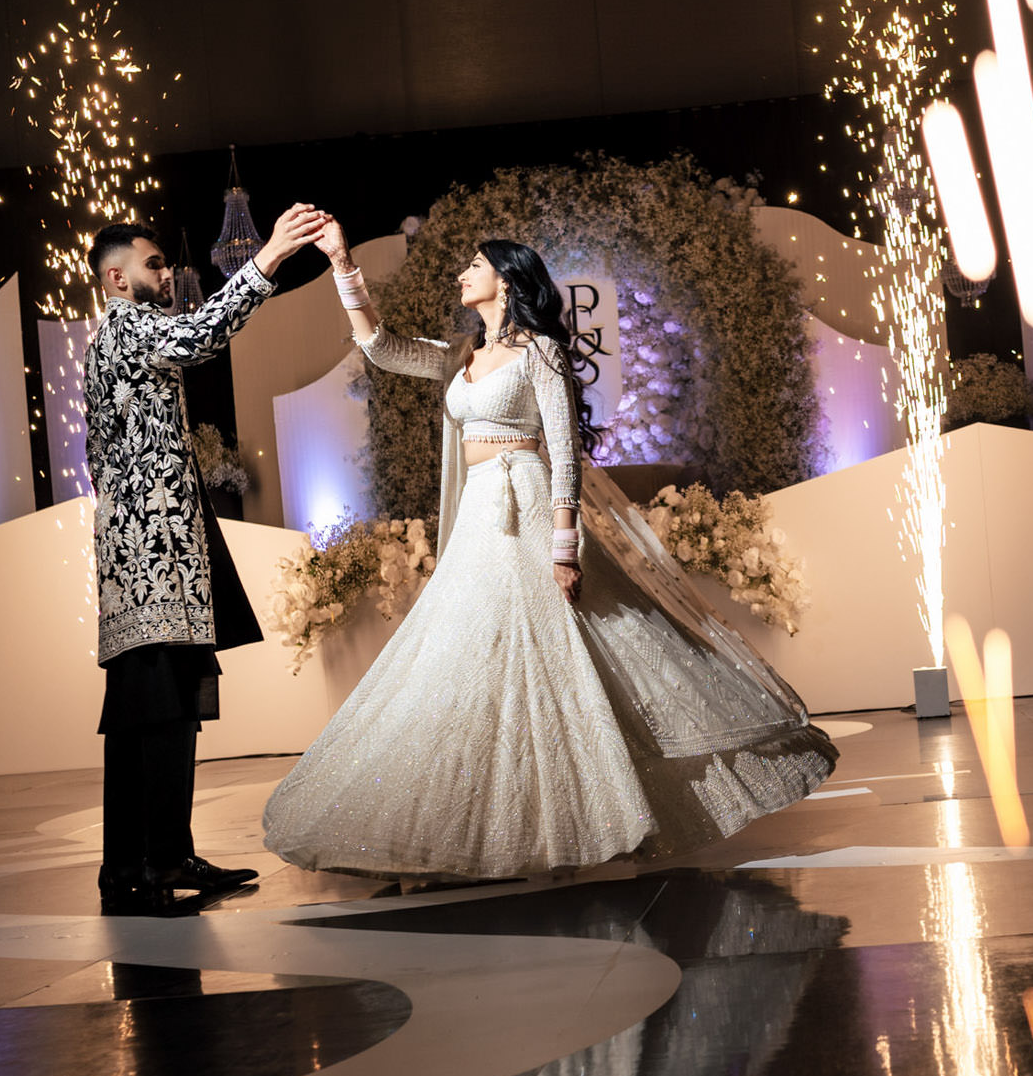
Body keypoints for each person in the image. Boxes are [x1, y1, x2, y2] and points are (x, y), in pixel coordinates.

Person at [260, 223, 837, 878]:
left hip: (531, 507)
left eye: (473, 265)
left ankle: (610, 802)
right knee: (475, 652)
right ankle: (488, 819)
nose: (460, 275)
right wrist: (342, 262)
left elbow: (564, 451)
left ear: (505, 279)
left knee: (573, 645)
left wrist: (565, 546)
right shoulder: (460, 354)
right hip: (481, 513)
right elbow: (379, 345)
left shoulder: (541, 353)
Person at [85, 205, 329, 913]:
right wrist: (271, 256)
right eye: (154, 265)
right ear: (115, 277)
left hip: (154, 553)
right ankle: (144, 866)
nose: (166, 274)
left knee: (160, 711)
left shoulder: (122, 335)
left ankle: (157, 858)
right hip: (153, 558)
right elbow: (200, 334)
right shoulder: (129, 326)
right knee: (156, 710)